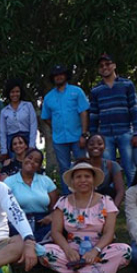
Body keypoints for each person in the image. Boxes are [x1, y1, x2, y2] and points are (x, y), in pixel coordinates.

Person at [38, 162, 131, 273]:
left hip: (99, 251)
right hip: (71, 254)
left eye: (87, 176)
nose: (83, 180)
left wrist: (95, 251)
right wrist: (68, 250)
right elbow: (56, 232)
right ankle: (101, 271)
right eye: (78, 177)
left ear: (93, 180)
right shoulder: (63, 202)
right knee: (43, 252)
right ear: (73, 181)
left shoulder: (106, 201)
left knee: (125, 251)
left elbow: (109, 233)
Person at [89, 54, 137, 184]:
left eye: (107, 64)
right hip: (105, 135)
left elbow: (134, 109)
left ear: (114, 65)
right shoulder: (96, 90)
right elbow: (94, 115)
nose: (104, 67)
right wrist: (93, 135)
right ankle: (111, 200)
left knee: (130, 168)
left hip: (125, 132)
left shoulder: (127, 84)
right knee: (108, 169)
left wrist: (136, 133)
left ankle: (134, 199)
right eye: (101, 66)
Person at [41, 64, 90, 195]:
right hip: (59, 139)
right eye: (56, 75)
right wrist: (56, 127)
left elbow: (84, 112)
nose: (59, 77)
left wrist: (84, 134)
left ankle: (86, 196)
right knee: (64, 169)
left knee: (83, 166)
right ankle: (68, 199)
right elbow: (45, 117)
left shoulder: (76, 91)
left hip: (77, 136)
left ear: (66, 76)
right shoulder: (48, 97)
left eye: (61, 74)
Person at [4, 149, 58, 242]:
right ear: (23, 159)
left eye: (36, 161)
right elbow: (5, 208)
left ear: (39, 167)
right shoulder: (9, 181)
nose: (32, 162)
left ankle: (32, 244)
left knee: (56, 229)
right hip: (19, 220)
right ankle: (33, 244)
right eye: (30, 158)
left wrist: (51, 216)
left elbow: (56, 207)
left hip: (43, 221)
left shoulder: (46, 180)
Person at [0, 78, 37, 161]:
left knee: (29, 164)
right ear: (8, 93)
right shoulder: (4, 111)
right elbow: (2, 132)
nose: (15, 94)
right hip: (12, 142)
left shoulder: (28, 106)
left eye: (17, 91)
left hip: (27, 139)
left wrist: (31, 145)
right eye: (12, 92)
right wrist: (4, 150)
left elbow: (33, 125)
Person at [85, 134, 125, 207]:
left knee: (109, 190)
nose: (96, 146)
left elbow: (120, 191)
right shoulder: (81, 166)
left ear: (104, 147)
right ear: (86, 147)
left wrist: (114, 210)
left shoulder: (112, 165)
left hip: (104, 200)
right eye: (91, 144)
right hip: (85, 198)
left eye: (100, 144)